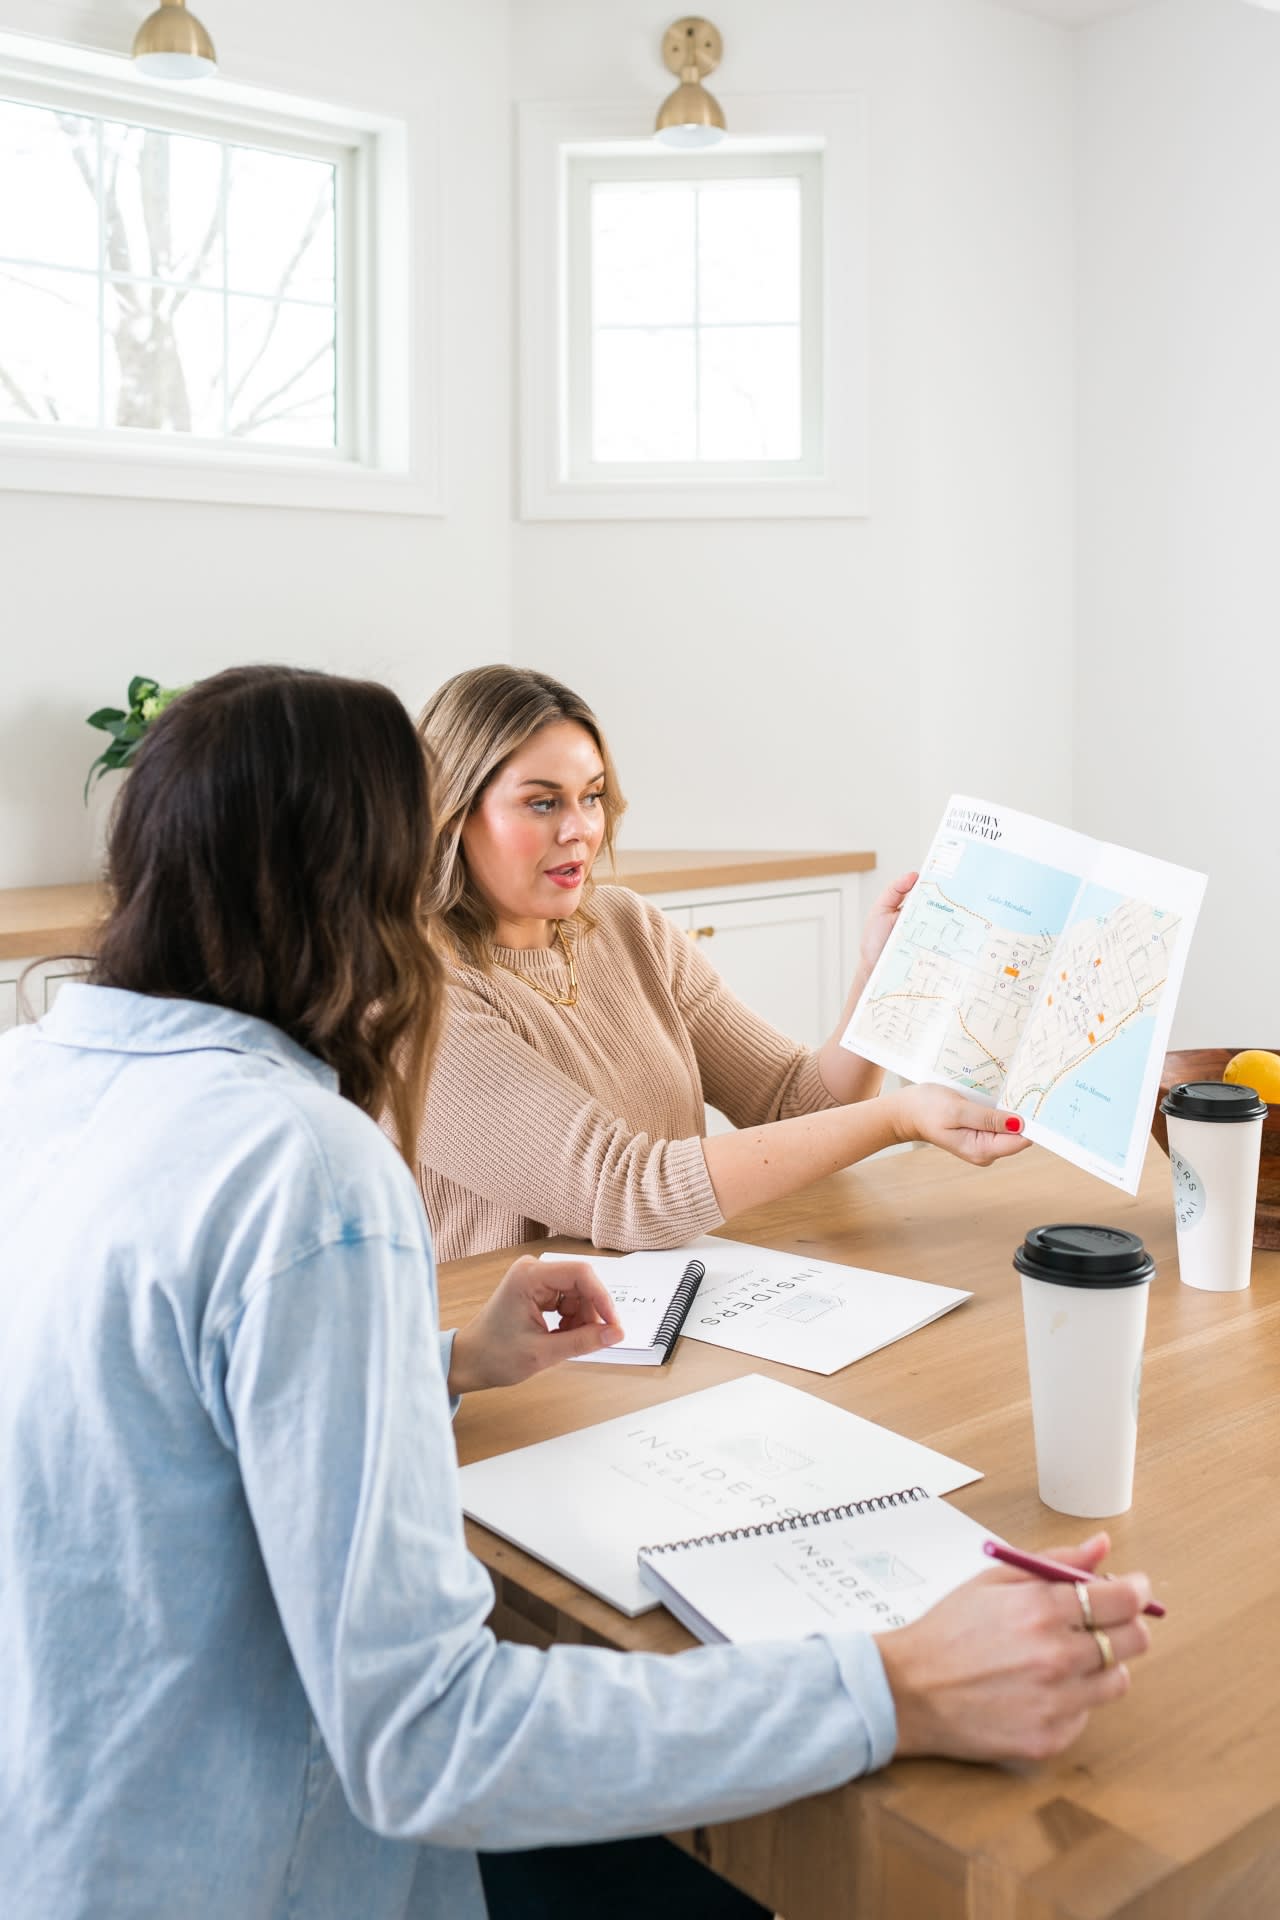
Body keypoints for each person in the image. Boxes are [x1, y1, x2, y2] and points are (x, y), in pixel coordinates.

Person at [0, 666, 1153, 1920]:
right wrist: (891, 1683)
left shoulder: (37, 1074)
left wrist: (434, 1362)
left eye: (592, 798)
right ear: (376, 881)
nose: (575, 833)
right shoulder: (305, 1163)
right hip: (239, 1866)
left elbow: (167, 1394)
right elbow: (427, 1736)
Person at [416, 664, 1031, 1262]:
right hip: (524, 1346)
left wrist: (880, 976)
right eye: (543, 803)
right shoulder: (413, 999)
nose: (580, 829)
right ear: (453, 815)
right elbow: (626, 1194)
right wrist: (898, 1118)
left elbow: (799, 1103)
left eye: (593, 796)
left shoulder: (627, 927)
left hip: (668, 1305)